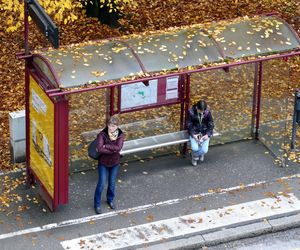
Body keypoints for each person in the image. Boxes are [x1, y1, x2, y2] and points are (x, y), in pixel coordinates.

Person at [94, 115, 124, 214]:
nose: (111, 128)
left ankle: (110, 200)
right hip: (103, 163)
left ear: (117, 126)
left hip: (115, 163)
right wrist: (112, 149)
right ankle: (97, 204)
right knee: (101, 184)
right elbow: (99, 148)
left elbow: (118, 148)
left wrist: (106, 146)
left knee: (112, 184)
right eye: (110, 126)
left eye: (114, 126)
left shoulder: (120, 134)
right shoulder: (102, 135)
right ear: (107, 125)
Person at [187, 100, 214, 166]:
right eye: (200, 111)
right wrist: (193, 135)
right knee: (195, 148)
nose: (202, 112)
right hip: (195, 132)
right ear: (196, 108)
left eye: (203, 111)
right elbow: (189, 124)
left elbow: (211, 124)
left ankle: (195, 155)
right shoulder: (191, 112)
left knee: (204, 150)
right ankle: (196, 155)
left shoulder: (207, 112)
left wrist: (208, 134)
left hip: (204, 132)